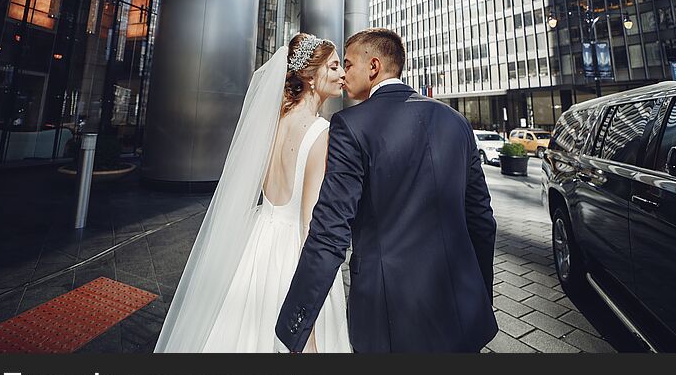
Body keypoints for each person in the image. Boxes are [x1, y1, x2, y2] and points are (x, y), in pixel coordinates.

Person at [276, 28, 498, 353]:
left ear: (374, 67)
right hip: (463, 310)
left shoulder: (351, 126)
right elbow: (481, 219)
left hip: (389, 317)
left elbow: (330, 229)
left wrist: (295, 324)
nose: (343, 74)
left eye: (348, 64)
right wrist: (478, 294)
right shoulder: (456, 120)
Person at [154, 33, 352, 353]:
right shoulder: (320, 133)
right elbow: (309, 229)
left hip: (258, 239)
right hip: (291, 252)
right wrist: (306, 330)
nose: (343, 73)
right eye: (333, 67)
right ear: (311, 78)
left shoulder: (272, 123)